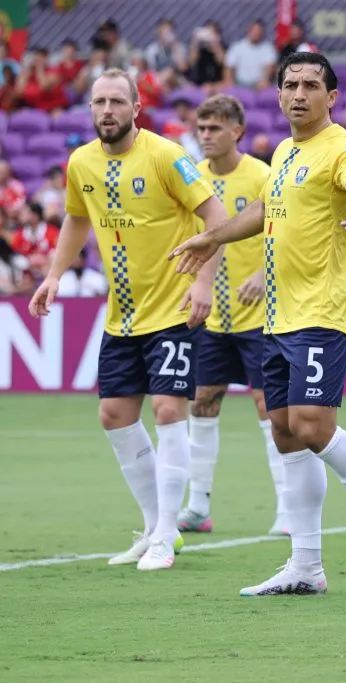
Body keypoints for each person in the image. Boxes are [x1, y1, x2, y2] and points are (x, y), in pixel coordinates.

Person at [169, 52, 346, 595]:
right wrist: (212, 237)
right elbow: (265, 210)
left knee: (311, 425)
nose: (299, 93)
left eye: (311, 85)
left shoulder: (341, 145)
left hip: (323, 310)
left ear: (332, 96)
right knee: (284, 432)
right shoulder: (283, 151)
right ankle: (306, 564)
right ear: (279, 94)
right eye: (291, 85)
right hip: (278, 316)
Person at [27, 68, 229, 571]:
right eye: (100, 102)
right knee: (114, 415)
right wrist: (54, 275)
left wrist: (203, 283)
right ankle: (156, 527)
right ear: (90, 109)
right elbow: (77, 217)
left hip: (174, 307)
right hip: (124, 313)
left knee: (168, 410)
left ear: (136, 108)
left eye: (118, 101)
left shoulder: (166, 155)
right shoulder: (81, 162)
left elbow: (217, 217)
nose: (108, 110)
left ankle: (167, 533)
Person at [174, 94, 288, 538]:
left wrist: (263, 273)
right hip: (211, 317)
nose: (205, 136)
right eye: (201, 128)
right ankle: (197, 507)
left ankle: (287, 509)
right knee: (202, 401)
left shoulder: (262, 176)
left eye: (215, 128)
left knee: (268, 406)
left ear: (237, 131)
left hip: (260, 316)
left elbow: (288, 233)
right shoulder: (193, 177)